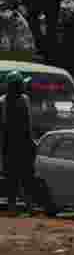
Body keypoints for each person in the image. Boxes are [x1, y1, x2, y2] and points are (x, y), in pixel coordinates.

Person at [2, 71, 36, 216]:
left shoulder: (3, 101)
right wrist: (31, 142)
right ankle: (27, 207)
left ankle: (13, 208)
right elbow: (28, 124)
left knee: (12, 179)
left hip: (9, 145)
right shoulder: (24, 99)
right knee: (25, 177)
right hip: (21, 144)